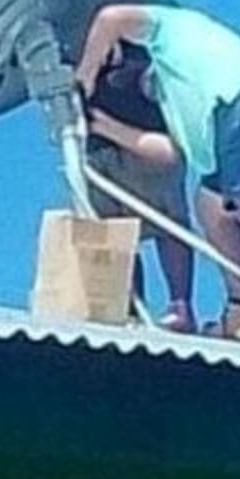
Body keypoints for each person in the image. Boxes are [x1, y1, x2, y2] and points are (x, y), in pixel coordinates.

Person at [75, 4, 240, 350]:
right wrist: (100, 125)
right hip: (233, 126)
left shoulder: (167, 28)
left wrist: (85, 75)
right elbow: (169, 152)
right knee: (210, 206)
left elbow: (111, 18)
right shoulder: (172, 87)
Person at [86, 41, 196, 332]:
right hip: (97, 148)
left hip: (145, 139)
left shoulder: (139, 22)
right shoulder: (73, 25)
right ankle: (130, 307)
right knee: (115, 231)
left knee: (167, 223)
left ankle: (179, 306)